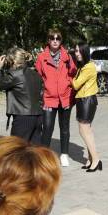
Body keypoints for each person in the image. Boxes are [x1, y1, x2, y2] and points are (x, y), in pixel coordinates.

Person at [36, 28, 77, 167]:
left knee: (64, 127)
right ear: (48, 40)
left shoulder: (68, 57)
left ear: (61, 41)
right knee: (47, 127)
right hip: (49, 97)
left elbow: (73, 73)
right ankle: (44, 156)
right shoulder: (42, 57)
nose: (55, 41)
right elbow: (39, 76)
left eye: (57, 38)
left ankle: (64, 154)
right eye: (52, 38)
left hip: (65, 97)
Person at [0, 47, 43, 143]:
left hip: (23, 117)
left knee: (17, 149)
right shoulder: (35, 74)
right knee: (34, 150)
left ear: (13, 61)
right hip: (38, 115)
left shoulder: (15, 74)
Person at [72, 43, 102, 172]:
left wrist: (69, 78)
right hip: (83, 100)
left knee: (84, 130)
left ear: (85, 52)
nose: (77, 53)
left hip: (87, 100)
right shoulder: (82, 66)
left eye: (79, 51)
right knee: (86, 131)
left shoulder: (88, 67)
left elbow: (76, 84)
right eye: (76, 51)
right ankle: (91, 158)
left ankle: (96, 159)